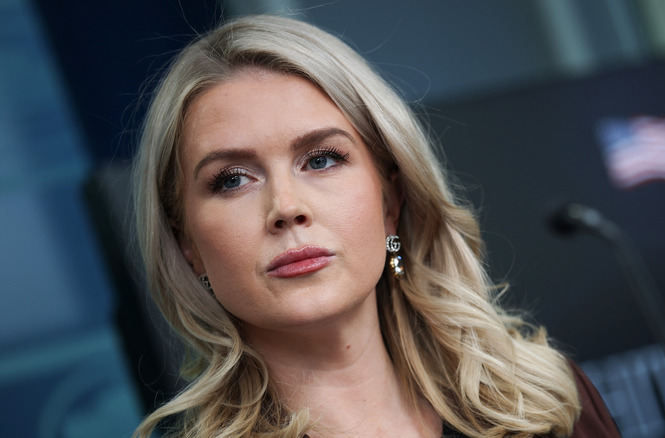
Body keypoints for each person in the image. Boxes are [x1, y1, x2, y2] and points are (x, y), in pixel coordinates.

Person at [132, 14, 620, 438]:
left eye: (321, 159)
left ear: (391, 200)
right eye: (233, 179)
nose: (285, 206)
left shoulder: (545, 403)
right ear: (186, 243)